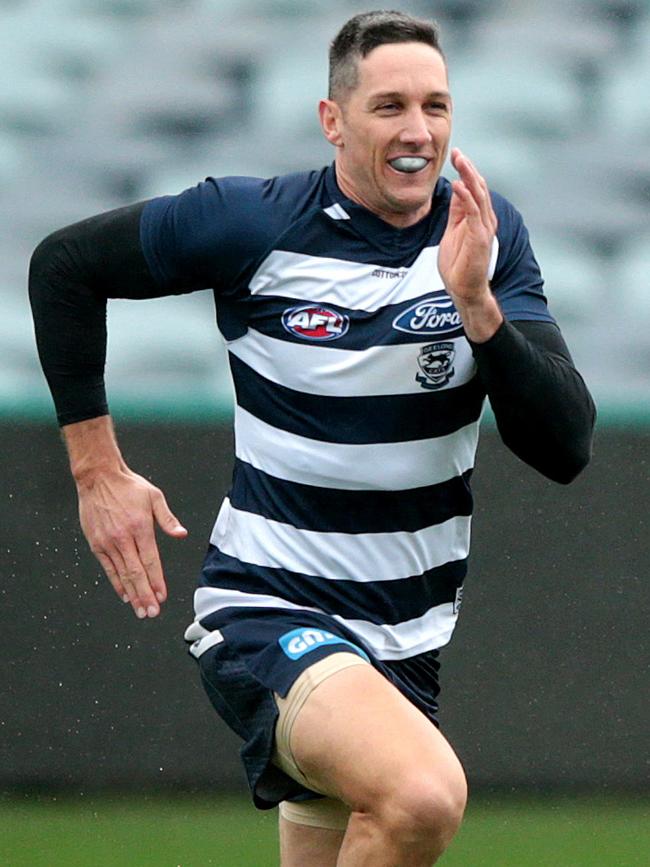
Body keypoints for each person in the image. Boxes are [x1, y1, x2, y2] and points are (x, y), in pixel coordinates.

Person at [29, 10, 596, 866]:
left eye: (436, 107)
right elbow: (65, 267)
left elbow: (565, 448)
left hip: (408, 638)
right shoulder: (250, 222)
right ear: (333, 120)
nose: (418, 132)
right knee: (423, 794)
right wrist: (96, 467)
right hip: (269, 609)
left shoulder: (483, 234)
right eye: (389, 106)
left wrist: (478, 308)